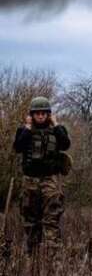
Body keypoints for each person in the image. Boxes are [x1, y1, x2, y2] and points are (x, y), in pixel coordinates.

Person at [13, 96, 71, 252]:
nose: (40, 116)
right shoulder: (24, 130)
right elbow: (18, 147)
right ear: (32, 115)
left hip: (50, 179)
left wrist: (57, 124)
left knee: (52, 215)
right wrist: (27, 127)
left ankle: (54, 253)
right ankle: (33, 253)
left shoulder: (58, 130)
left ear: (48, 114)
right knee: (30, 217)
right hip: (30, 179)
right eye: (37, 113)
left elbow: (65, 145)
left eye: (43, 113)